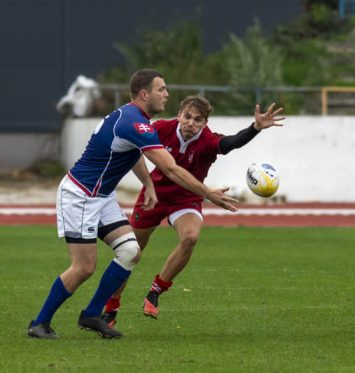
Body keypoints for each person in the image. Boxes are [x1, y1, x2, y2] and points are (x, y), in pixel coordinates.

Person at [27, 69, 238, 339]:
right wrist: (208, 193)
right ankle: (39, 323)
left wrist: (148, 184)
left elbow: (133, 150)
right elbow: (171, 169)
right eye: (161, 89)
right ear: (144, 94)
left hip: (101, 197)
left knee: (130, 251)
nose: (166, 94)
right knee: (83, 268)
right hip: (80, 195)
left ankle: (92, 314)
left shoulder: (136, 119)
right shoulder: (134, 122)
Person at [101, 95, 284, 326]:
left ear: (205, 123)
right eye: (187, 116)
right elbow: (134, 148)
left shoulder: (207, 141)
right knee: (131, 253)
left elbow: (231, 142)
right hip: (154, 195)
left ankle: (155, 292)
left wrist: (255, 127)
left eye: (198, 120)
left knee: (190, 238)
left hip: (186, 198)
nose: (191, 123)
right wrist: (147, 184)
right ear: (179, 115)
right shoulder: (161, 129)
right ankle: (111, 308)